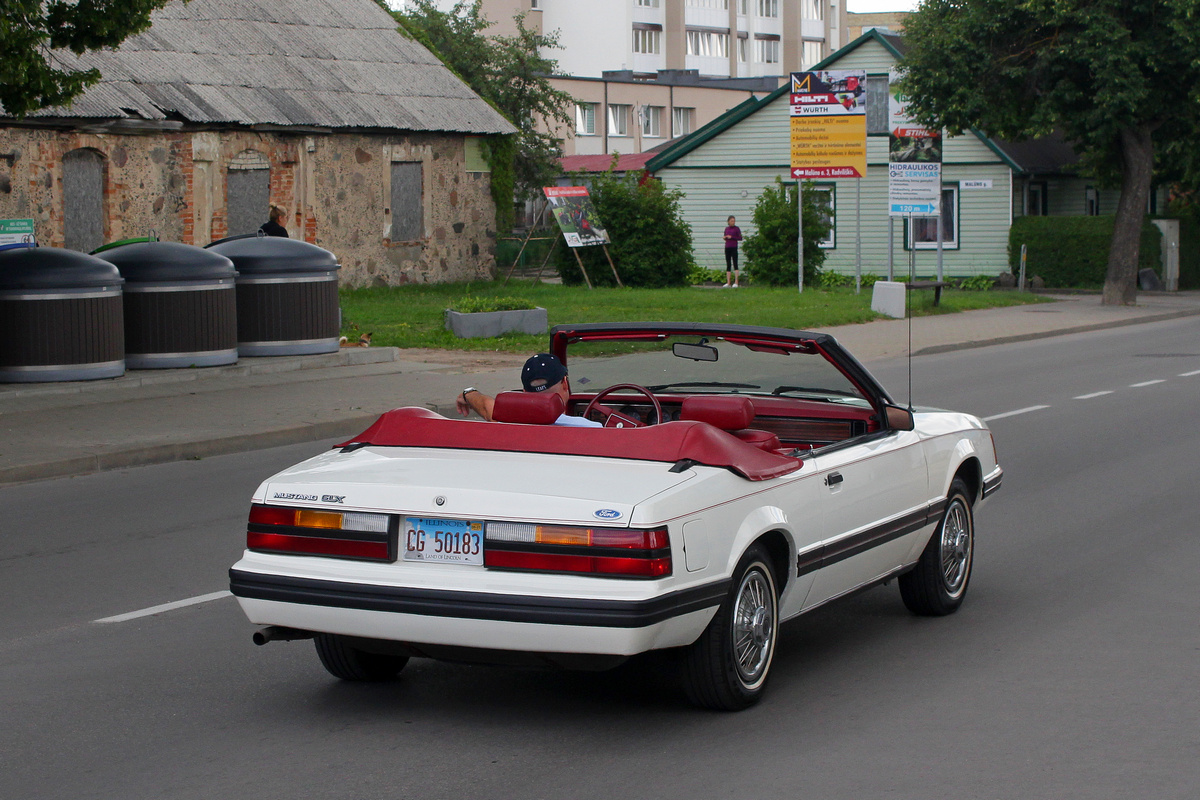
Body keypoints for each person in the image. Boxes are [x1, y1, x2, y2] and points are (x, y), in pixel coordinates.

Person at [456, 353, 601, 427]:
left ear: (525, 391)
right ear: (565, 383)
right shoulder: (590, 429)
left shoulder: (505, 424)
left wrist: (469, 394)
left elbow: (487, 408)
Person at [722, 215, 742, 287]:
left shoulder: (736, 229)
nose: (733, 222)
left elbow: (740, 238)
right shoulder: (726, 229)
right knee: (728, 264)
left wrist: (732, 237)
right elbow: (725, 236)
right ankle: (728, 282)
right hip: (727, 247)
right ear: (728, 222)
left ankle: (736, 282)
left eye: (734, 221)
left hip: (734, 247)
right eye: (731, 221)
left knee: (735, 263)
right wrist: (725, 238)